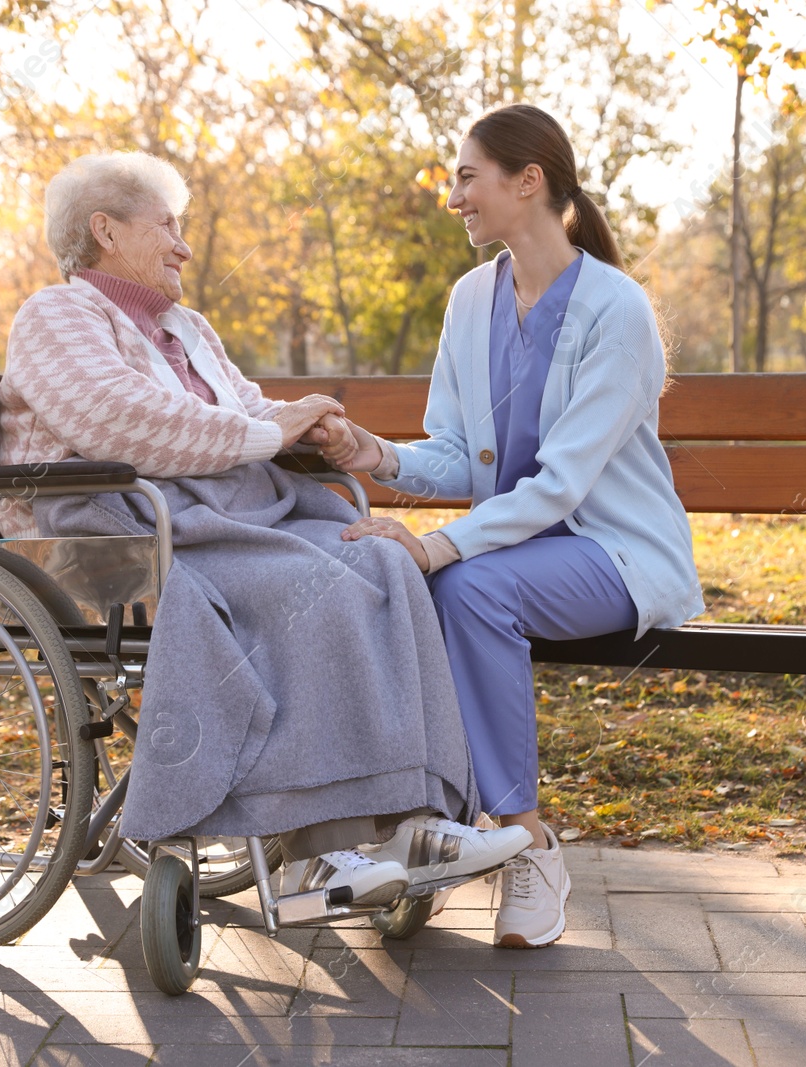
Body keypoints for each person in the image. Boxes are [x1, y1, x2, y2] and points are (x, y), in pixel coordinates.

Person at [0, 150, 531, 908]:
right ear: (105, 230)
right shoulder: (59, 314)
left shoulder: (187, 328)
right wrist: (265, 433)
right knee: (308, 589)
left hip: (222, 516)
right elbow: (116, 419)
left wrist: (311, 429)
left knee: (386, 564)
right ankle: (317, 858)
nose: (184, 246)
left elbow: (248, 412)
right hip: (116, 534)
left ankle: (417, 822)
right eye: (169, 227)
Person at [317, 104, 706, 947]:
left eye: (467, 177)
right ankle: (442, 832)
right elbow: (459, 455)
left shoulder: (616, 310)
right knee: (427, 582)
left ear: (527, 182)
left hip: (615, 554)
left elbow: (561, 485)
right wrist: (371, 452)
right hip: (517, 554)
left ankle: (527, 842)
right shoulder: (470, 300)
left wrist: (436, 544)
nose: (454, 197)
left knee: (462, 582)